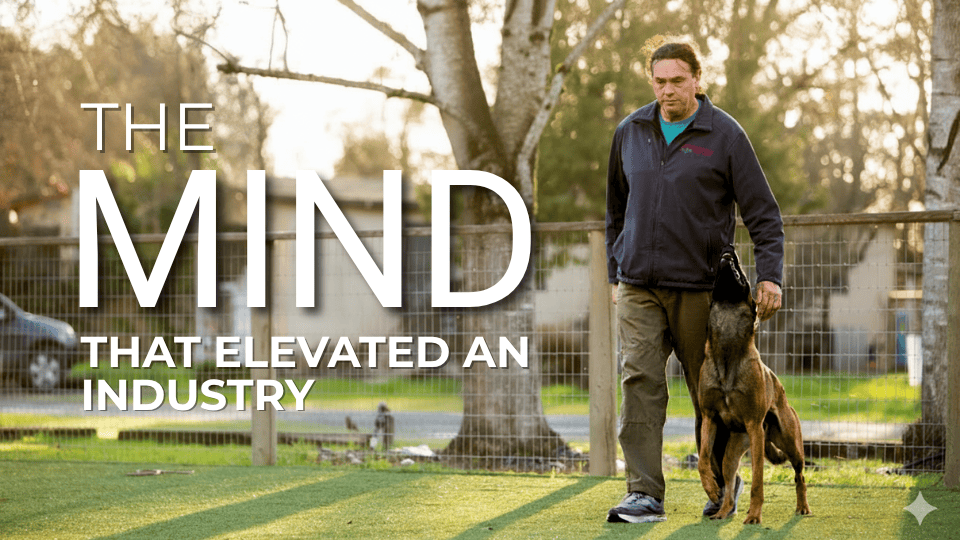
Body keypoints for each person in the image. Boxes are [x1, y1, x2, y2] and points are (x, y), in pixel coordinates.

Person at [604, 38, 785, 523]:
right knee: (639, 379)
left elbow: (764, 214)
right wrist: (613, 271)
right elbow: (615, 212)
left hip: (703, 289)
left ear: (697, 80)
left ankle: (723, 484)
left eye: (677, 81)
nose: (667, 91)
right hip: (638, 283)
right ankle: (644, 493)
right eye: (659, 81)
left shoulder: (724, 135)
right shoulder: (631, 131)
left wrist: (770, 276)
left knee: (711, 390)